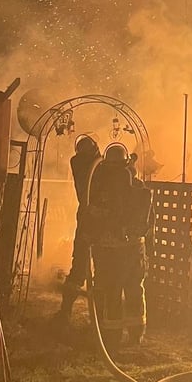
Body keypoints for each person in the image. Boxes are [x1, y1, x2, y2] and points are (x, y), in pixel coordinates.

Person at [85, 143, 153, 346]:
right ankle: (136, 333)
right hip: (135, 250)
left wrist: (89, 235)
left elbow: (93, 216)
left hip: (110, 252)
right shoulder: (140, 189)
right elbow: (149, 222)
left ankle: (112, 335)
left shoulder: (101, 187)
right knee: (134, 289)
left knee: (111, 291)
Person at [56, 134, 101, 320]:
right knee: (100, 266)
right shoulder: (97, 165)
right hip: (98, 222)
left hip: (86, 219)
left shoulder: (79, 162)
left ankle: (66, 310)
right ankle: (100, 316)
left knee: (80, 265)